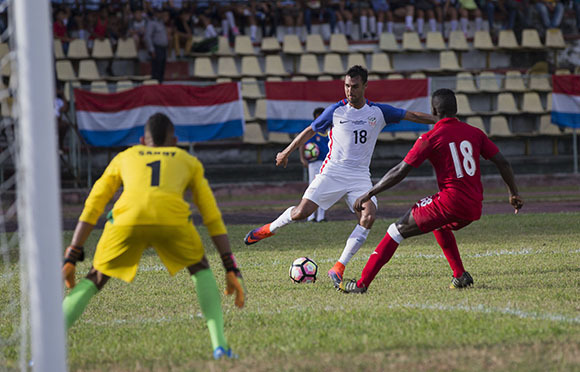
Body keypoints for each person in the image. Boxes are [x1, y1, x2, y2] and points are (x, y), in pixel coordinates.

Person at [61, 113, 244, 360]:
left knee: (95, 277)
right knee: (200, 268)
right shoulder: (187, 160)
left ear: (142, 141)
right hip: (172, 221)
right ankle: (220, 346)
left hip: (127, 221)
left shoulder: (125, 156)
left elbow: (94, 204)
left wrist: (73, 253)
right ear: (175, 141)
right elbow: (211, 215)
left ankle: (46, 348)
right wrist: (229, 265)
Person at [243, 65, 436, 288]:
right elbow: (310, 130)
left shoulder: (378, 112)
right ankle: (268, 230)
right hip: (332, 172)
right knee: (299, 213)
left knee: (368, 217)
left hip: (360, 177)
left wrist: (440, 120)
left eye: (354, 87)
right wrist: (287, 151)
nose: (349, 91)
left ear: (365, 86)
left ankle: (339, 267)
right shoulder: (335, 111)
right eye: (346, 86)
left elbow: (411, 115)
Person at [339, 88, 524, 294]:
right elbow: (503, 162)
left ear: (434, 110)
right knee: (440, 226)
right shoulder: (475, 132)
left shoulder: (431, 137)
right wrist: (513, 193)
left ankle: (361, 284)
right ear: (456, 109)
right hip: (474, 206)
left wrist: (369, 193)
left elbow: (401, 170)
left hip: (450, 202)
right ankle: (460, 275)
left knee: (395, 231)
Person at [299, 107, 329, 223]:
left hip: (327, 163)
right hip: (314, 163)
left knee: (324, 189)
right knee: (313, 188)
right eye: (319, 115)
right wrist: (302, 158)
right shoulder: (312, 129)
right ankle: (310, 216)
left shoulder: (328, 129)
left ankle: (321, 216)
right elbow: (302, 143)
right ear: (315, 117)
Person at [145, 9, 169, 82]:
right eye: (158, 13)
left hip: (163, 48)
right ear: (155, 14)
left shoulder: (161, 23)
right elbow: (148, 37)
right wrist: (151, 50)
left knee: (162, 68)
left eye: (160, 13)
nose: (160, 14)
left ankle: (160, 85)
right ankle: (155, 86)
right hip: (156, 48)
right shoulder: (151, 23)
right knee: (156, 69)